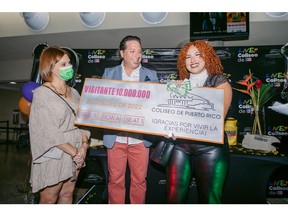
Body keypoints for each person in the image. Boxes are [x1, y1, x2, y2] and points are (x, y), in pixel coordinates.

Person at [166, 40, 232, 204]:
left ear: (207, 56)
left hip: (211, 149)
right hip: (180, 147)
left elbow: (215, 118)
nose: (193, 60)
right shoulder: (179, 85)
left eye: (198, 54)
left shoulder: (220, 82)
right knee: (173, 198)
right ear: (183, 62)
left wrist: (187, 93)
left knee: (210, 200)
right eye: (188, 57)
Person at [29, 46, 90, 204]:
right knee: (49, 199)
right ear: (50, 67)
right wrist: (74, 152)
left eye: (69, 63)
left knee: (67, 195)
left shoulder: (74, 93)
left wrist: (84, 145)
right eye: (63, 64)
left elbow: (83, 121)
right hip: (56, 152)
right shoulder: (42, 93)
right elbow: (48, 130)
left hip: (76, 150)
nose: (68, 67)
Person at [102, 35, 159, 204]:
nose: (137, 55)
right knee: (115, 181)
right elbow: (101, 103)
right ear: (122, 53)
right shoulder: (109, 73)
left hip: (140, 141)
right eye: (132, 51)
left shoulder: (151, 75)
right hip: (116, 138)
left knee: (139, 181)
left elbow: (156, 104)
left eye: (139, 51)